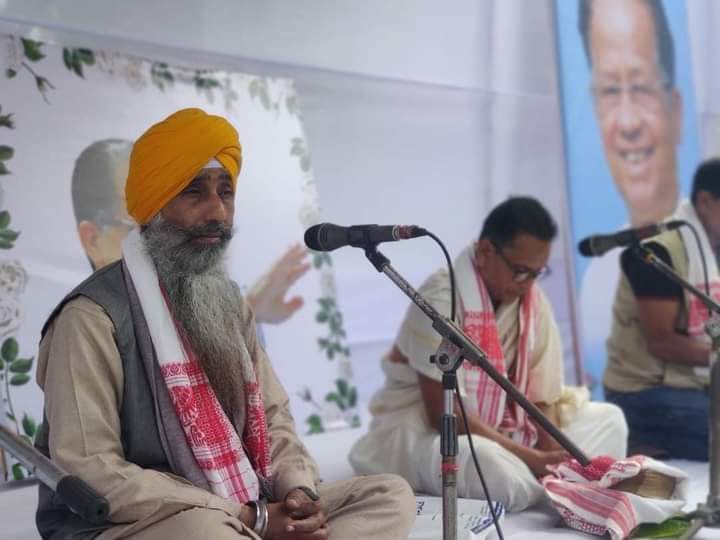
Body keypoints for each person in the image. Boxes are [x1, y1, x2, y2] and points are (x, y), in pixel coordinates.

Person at [34, 108, 415, 539]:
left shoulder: (230, 302)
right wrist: (249, 517)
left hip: (248, 506)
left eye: (226, 191)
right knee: (207, 531)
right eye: (194, 192)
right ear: (153, 205)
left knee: (390, 495)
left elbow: (274, 419)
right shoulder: (91, 316)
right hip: (140, 522)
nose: (217, 211)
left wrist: (298, 495)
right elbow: (89, 467)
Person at [349, 197, 627, 512]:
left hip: (509, 428)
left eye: (537, 273)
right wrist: (535, 459)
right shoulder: (440, 300)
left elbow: (540, 399)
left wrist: (554, 453)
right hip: (426, 432)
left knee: (610, 420)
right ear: (485, 252)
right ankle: (556, 490)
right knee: (494, 469)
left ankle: (556, 485)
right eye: (521, 271)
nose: (528, 284)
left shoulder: (533, 303)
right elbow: (444, 417)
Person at [70, 139, 310, 325]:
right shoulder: (89, 332)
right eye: (145, 225)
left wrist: (250, 311)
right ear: (93, 241)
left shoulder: (175, 315)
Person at [576, 0, 685, 395]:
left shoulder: (698, 239)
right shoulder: (596, 286)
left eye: (640, 88)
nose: (627, 123)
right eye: (608, 91)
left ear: (676, 109)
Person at [604, 159, 720, 461]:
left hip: (699, 385)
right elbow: (663, 342)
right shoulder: (657, 253)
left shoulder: (714, 251)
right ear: (706, 202)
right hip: (644, 392)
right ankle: (644, 440)